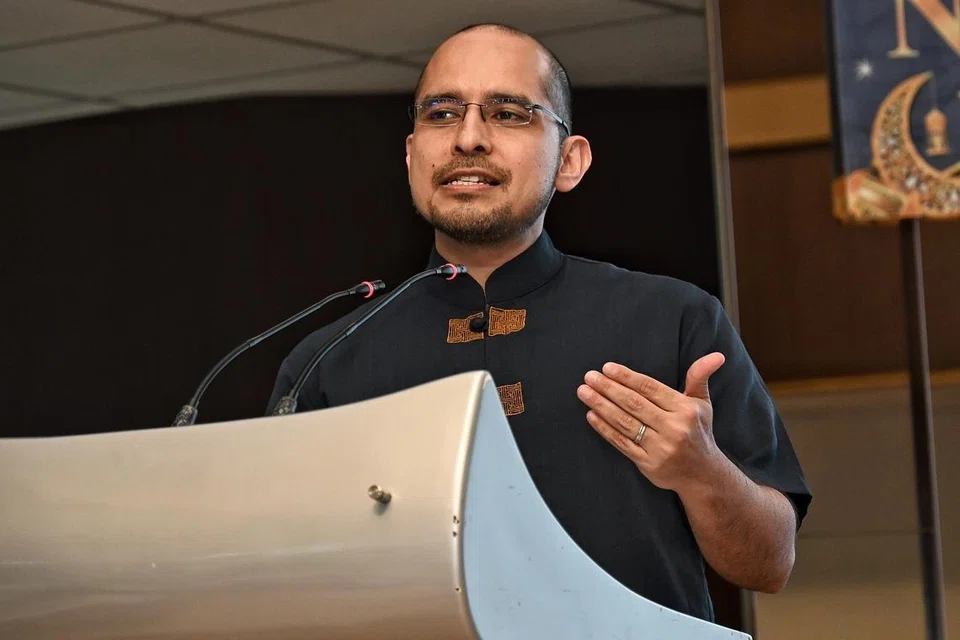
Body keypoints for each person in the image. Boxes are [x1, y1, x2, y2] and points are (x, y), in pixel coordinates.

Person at [268, 23, 811, 622]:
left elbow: (769, 564)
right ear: (411, 153)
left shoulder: (672, 319)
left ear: (569, 161)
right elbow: (277, 578)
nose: (468, 139)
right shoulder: (331, 359)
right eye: (442, 114)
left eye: (508, 113)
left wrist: (700, 470)